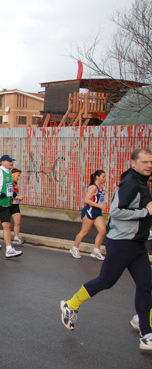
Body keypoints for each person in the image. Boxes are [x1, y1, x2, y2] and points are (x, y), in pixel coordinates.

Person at [60, 148, 152, 350]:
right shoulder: (130, 184)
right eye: (144, 162)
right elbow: (117, 211)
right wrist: (145, 211)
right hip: (121, 243)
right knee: (106, 281)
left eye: (150, 161)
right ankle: (71, 304)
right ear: (133, 163)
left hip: (136, 243)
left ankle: (145, 331)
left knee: (146, 285)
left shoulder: (142, 182)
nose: (149, 165)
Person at [70, 170, 108, 260]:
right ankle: (74, 248)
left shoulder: (100, 187)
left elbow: (98, 199)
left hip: (97, 212)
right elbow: (86, 200)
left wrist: (102, 205)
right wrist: (99, 205)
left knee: (102, 230)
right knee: (84, 231)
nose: (105, 178)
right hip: (89, 211)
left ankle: (96, 250)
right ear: (97, 177)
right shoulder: (93, 187)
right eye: (103, 176)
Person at [10, 168, 24, 245]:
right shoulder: (9, 183)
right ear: (13, 175)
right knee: (1, 221)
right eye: (17, 176)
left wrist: (18, 199)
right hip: (8, 204)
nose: (18, 178)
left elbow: (15, 194)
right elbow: (9, 193)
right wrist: (16, 197)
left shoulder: (15, 183)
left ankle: (16, 238)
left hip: (15, 205)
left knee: (18, 221)